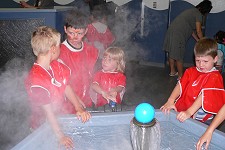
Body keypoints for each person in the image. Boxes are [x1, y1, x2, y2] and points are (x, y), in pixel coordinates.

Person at [25, 26, 91, 149]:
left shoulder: (56, 65)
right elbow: (48, 112)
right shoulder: (36, 81)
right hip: (42, 126)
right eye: (59, 46)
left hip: (58, 119)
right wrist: (60, 136)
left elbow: (65, 85)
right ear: (53, 49)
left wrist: (78, 107)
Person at [160, 38, 225, 124]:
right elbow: (180, 85)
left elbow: (203, 96)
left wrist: (189, 112)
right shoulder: (190, 71)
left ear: (215, 59)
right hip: (187, 111)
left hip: (202, 118)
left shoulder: (215, 76)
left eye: (205, 61)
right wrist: (170, 100)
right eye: (198, 60)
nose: (201, 65)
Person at [59, 9, 99, 111]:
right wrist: (75, 101)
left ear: (86, 31)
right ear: (65, 29)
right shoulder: (59, 52)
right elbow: (61, 83)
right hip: (67, 103)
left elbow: (95, 76)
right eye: (71, 33)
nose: (75, 37)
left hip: (88, 101)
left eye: (79, 33)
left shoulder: (92, 51)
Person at [163, 0, 212, 80]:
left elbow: (191, 30)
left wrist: (198, 40)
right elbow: (199, 31)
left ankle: (172, 71)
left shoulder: (192, 11)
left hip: (171, 31)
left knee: (171, 51)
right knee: (179, 56)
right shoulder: (198, 14)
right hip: (178, 34)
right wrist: (204, 41)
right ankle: (181, 76)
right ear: (206, 10)